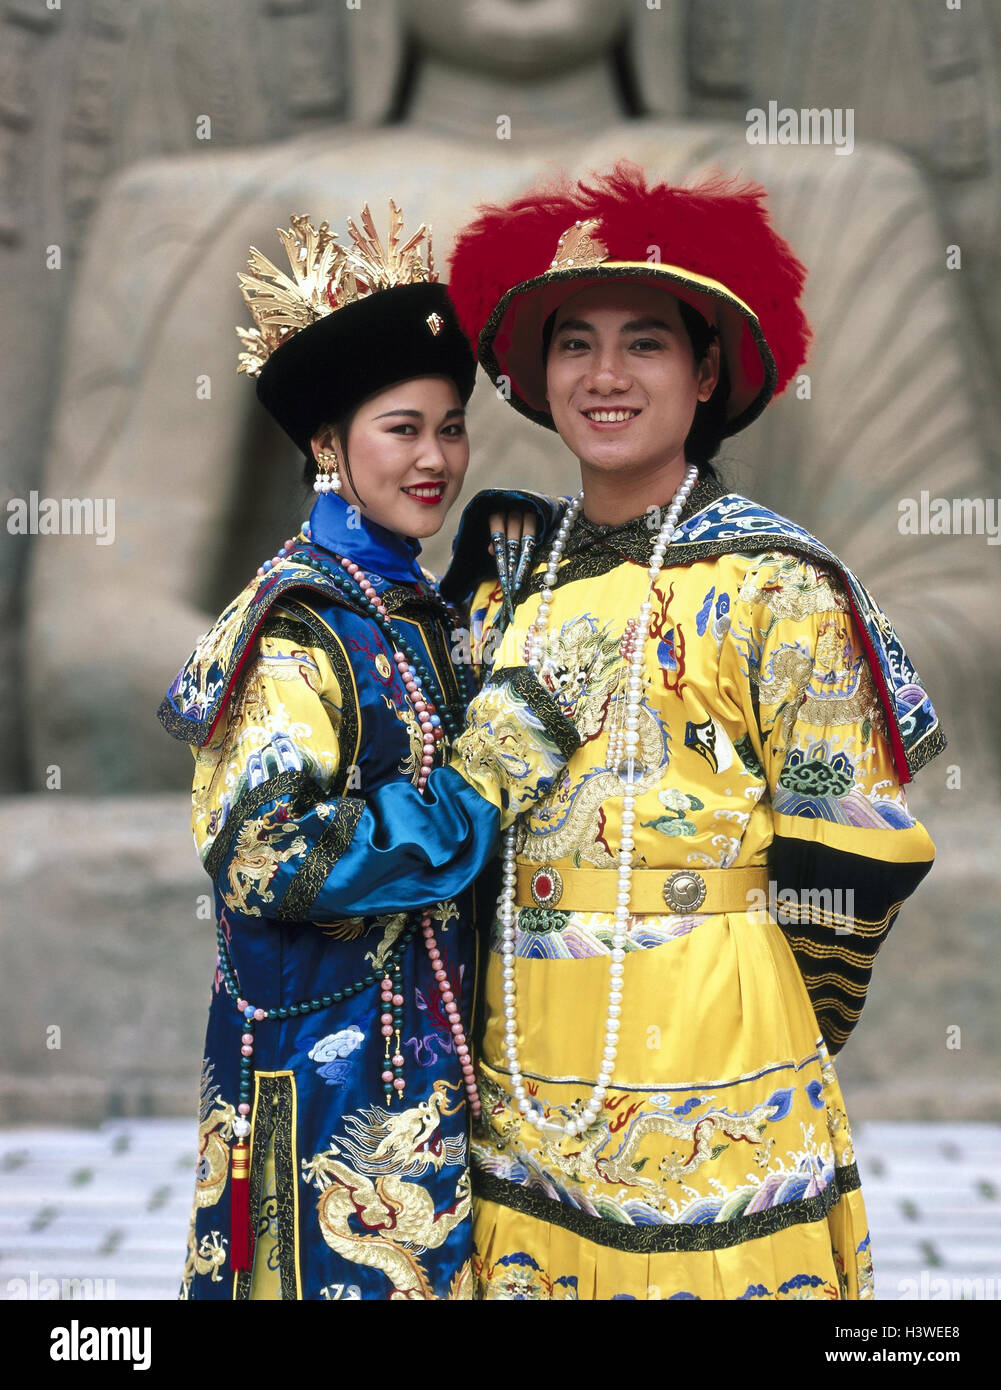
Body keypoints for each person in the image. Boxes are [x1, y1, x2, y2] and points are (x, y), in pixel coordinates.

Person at [441, 163, 943, 1300]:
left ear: (705, 370)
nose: (604, 376)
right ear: (538, 372)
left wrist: (758, 1006)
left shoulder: (778, 583)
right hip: (519, 1050)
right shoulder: (503, 571)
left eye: (644, 344)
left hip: (718, 1039)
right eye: (574, 343)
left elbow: (854, 848)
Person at [157, 202, 571, 1300]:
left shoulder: (398, 601)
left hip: (420, 1062)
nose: (434, 458)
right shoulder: (299, 623)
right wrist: (481, 779)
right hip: (329, 1076)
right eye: (402, 427)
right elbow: (265, 855)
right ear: (325, 445)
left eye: (450, 425)